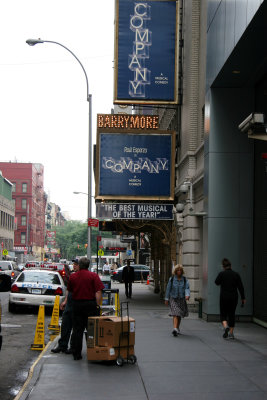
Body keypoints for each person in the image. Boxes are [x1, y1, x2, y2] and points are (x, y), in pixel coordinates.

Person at [67, 257, 104, 360]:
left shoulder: (73, 277)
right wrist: (97, 305)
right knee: (91, 330)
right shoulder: (94, 276)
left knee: (77, 330)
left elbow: (70, 290)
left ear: (80, 265)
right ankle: (92, 352)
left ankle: (77, 354)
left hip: (77, 305)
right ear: (88, 265)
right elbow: (98, 292)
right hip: (90, 305)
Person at [51, 259, 79, 354]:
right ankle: (62, 345)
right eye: (74, 264)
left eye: (76, 264)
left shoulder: (81, 276)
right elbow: (68, 290)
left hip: (77, 305)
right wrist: (65, 301)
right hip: (69, 304)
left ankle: (72, 347)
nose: (74, 266)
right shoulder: (72, 275)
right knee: (65, 325)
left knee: (76, 328)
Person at [215, 258, 246, 339]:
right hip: (233, 297)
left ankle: (225, 327)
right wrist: (243, 298)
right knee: (232, 314)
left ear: (223, 266)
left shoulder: (222, 274)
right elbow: (241, 287)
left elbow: (216, 282)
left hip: (224, 297)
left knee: (223, 314)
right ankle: (231, 333)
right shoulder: (236, 274)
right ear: (230, 265)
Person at [165, 265, 190, 336]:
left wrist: (187, 295)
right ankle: (175, 329)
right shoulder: (172, 279)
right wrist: (166, 299)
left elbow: (187, 288)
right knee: (175, 313)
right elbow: (168, 289)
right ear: (175, 271)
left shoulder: (185, 279)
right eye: (178, 270)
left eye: (180, 270)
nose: (179, 271)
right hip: (173, 298)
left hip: (181, 299)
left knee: (179, 314)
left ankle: (177, 328)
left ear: (182, 271)